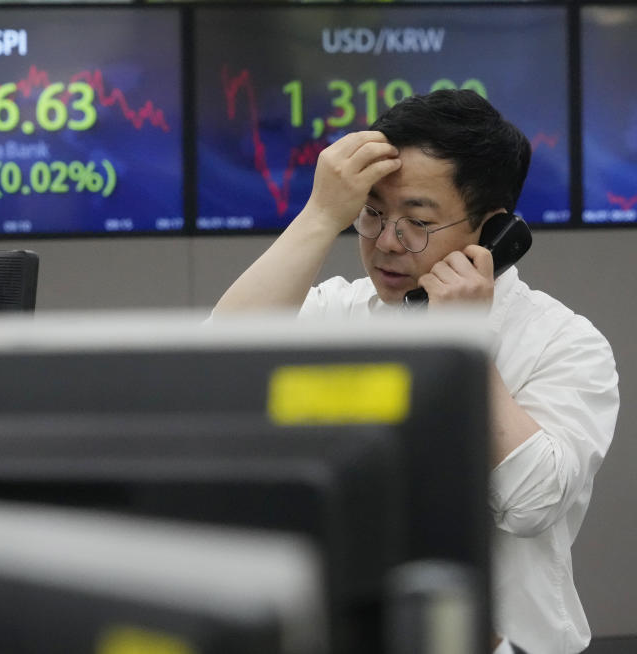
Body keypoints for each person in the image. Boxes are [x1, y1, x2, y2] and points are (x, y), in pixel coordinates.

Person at [213, 90, 619, 653]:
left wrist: (462, 343)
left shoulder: (565, 342)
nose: (385, 244)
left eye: (417, 222)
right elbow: (218, 366)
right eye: (372, 213)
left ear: (491, 229)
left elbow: (532, 503)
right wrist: (321, 213)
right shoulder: (341, 309)